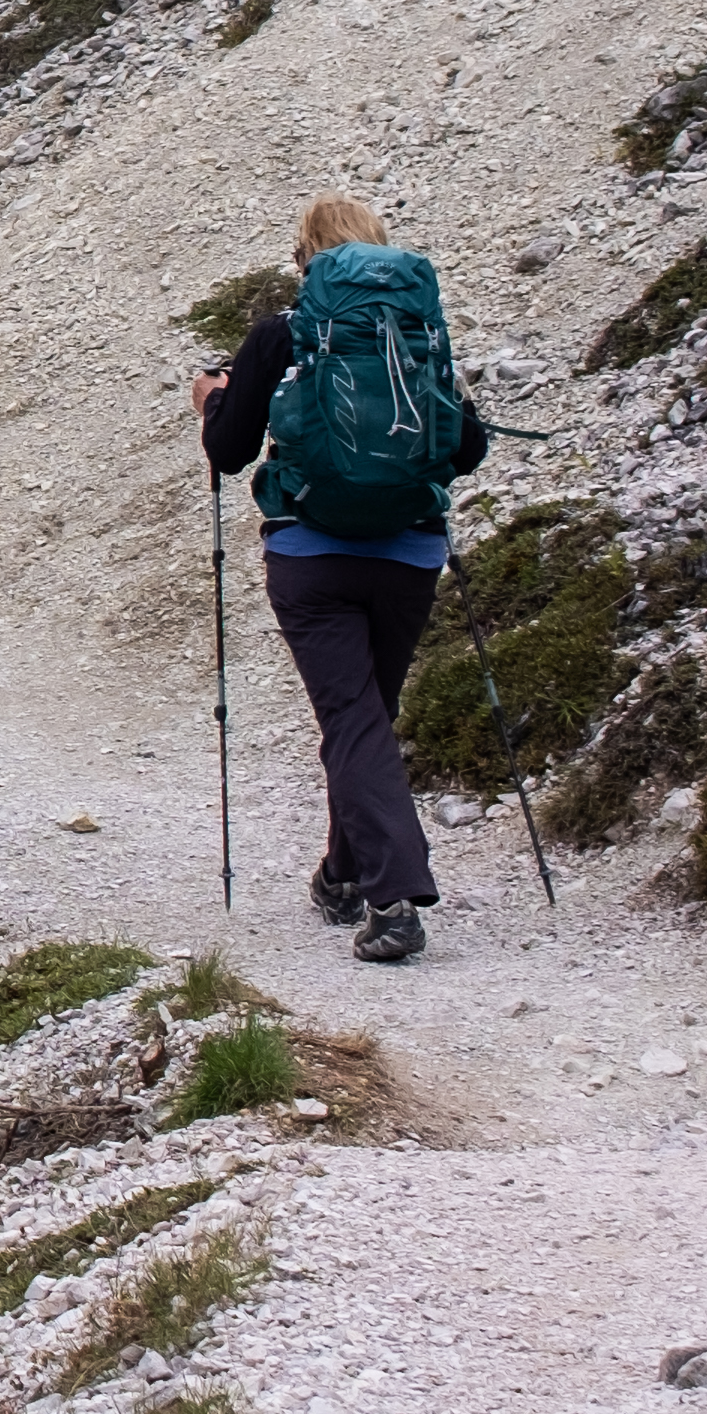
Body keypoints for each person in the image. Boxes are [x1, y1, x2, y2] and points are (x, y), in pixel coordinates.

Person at [193, 192, 493, 966]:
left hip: (312, 555)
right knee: (366, 717)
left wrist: (213, 402)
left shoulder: (282, 332)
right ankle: (342, 875)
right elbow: (467, 449)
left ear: (306, 259)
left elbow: (229, 452)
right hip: (409, 555)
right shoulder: (416, 329)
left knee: (352, 719)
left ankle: (394, 900)